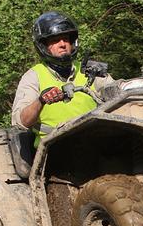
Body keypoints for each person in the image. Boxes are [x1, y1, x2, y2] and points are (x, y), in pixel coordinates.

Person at [11, 11, 111, 146]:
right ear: (43, 46)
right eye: (55, 40)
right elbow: (22, 122)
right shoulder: (33, 76)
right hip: (54, 147)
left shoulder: (91, 69)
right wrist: (41, 101)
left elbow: (118, 93)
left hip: (96, 141)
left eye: (66, 39)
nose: (62, 44)